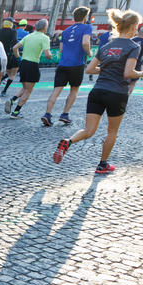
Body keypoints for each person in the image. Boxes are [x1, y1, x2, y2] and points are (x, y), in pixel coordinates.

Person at [53, 9, 142, 174]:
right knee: (112, 131)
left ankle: (68, 141)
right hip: (117, 92)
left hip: (98, 91)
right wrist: (141, 72)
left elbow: (90, 69)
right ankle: (103, 164)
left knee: (88, 130)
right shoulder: (133, 46)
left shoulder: (107, 46)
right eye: (137, 26)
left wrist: (108, 68)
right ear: (132, 27)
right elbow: (128, 73)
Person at [42, 7, 92, 126]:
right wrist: (89, 52)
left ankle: (47, 114)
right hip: (77, 64)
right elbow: (85, 42)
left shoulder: (66, 30)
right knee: (74, 89)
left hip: (63, 64)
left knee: (56, 90)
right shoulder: (87, 27)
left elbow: (61, 49)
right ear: (85, 17)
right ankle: (65, 114)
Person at [5, 19, 51, 119]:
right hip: (33, 64)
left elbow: (14, 48)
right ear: (44, 27)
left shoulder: (28, 36)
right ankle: (15, 112)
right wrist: (50, 56)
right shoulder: (45, 38)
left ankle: (12, 100)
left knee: (25, 87)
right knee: (28, 91)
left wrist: (18, 58)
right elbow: (47, 54)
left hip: (23, 63)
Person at [0, 18, 18, 98]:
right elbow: (14, 43)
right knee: (12, 74)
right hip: (9, 55)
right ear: (11, 24)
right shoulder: (13, 32)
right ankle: (4, 90)